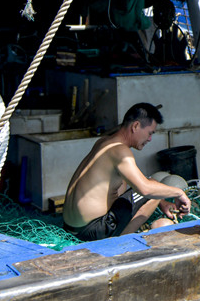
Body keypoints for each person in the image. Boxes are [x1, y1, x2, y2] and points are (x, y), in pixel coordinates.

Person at [63, 103, 192, 241]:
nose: (149, 139)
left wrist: (161, 202)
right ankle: (121, 238)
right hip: (92, 232)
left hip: (70, 228)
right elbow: (146, 189)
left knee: (136, 184)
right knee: (152, 184)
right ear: (135, 126)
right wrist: (179, 192)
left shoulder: (104, 142)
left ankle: (120, 229)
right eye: (150, 133)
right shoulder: (120, 151)